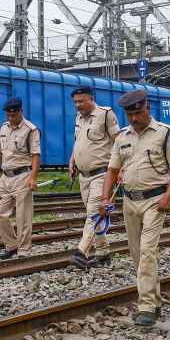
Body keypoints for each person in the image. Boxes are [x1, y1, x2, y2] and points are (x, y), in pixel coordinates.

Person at [100, 89, 170, 326]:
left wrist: (169, 194)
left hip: (154, 201)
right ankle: (154, 300)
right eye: (130, 115)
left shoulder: (164, 133)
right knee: (137, 255)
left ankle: (146, 305)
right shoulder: (122, 138)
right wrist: (105, 199)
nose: (134, 118)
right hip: (129, 201)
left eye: (138, 113)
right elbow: (112, 170)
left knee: (147, 251)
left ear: (147, 108)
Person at [67, 86, 120, 270]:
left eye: (81, 101)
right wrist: (72, 160)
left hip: (102, 174)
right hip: (84, 177)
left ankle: (81, 252)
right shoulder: (79, 118)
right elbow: (78, 142)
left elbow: (118, 142)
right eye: (75, 102)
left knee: (94, 214)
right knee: (96, 216)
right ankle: (103, 253)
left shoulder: (106, 115)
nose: (77, 105)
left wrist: (119, 169)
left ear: (91, 98)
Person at [0, 98, 40, 259]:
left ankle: (24, 249)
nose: (11, 118)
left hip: (23, 176)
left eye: (14, 115)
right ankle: (12, 245)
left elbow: (36, 155)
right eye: (8, 115)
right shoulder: (4, 128)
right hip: (5, 177)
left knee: (23, 216)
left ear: (21, 111)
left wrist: (33, 178)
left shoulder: (31, 130)